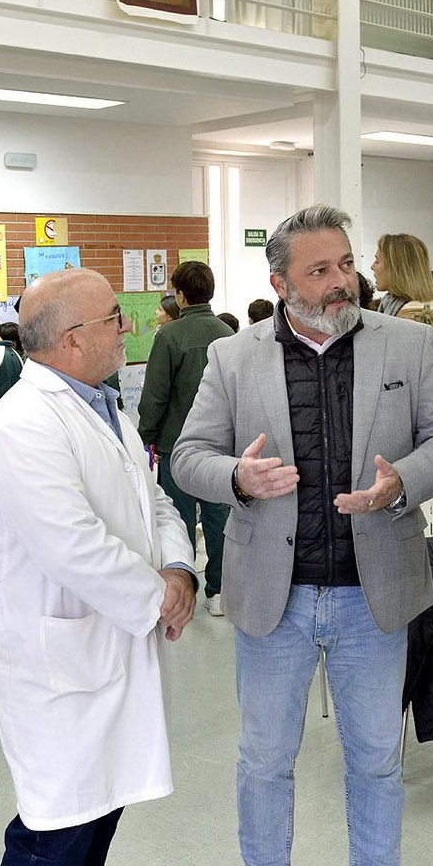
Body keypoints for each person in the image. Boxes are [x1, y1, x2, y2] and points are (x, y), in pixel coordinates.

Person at [174, 204, 433, 866]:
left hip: (370, 594)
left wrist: (402, 482)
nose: (342, 280)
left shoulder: (409, 344)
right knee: (265, 758)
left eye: (345, 263)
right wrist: (238, 478)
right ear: (280, 282)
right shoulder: (232, 357)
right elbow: (186, 457)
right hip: (270, 597)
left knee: (376, 757)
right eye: (321, 270)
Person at [0, 267, 196, 866]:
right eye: (114, 320)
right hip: (60, 659)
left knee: (101, 806)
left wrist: (178, 569)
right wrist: (155, 599)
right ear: (72, 339)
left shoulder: (102, 404)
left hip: (112, 646)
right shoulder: (23, 426)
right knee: (51, 826)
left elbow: (155, 499)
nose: (124, 331)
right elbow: (71, 544)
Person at [137, 260, 235, 617]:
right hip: (222, 447)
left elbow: (156, 394)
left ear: (179, 295)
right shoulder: (228, 334)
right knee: (219, 517)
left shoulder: (169, 336)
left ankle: (184, 590)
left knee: (177, 520)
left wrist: (144, 436)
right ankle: (220, 592)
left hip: (176, 445)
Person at [370, 233, 433, 361]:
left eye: (377, 260)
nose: (372, 266)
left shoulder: (412, 324)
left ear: (396, 267)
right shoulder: (392, 307)